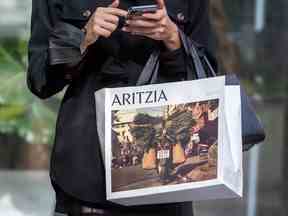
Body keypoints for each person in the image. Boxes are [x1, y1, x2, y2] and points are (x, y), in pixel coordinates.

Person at [27, 0, 215, 215]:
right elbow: (39, 80)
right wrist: (82, 38)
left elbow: (207, 76)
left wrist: (173, 37)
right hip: (88, 177)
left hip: (168, 190)